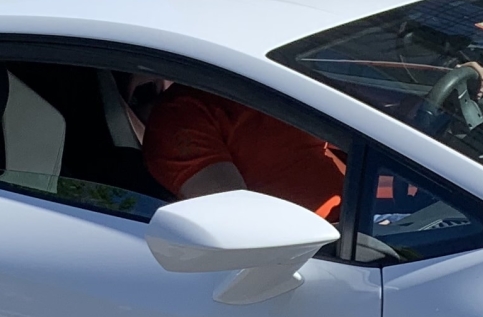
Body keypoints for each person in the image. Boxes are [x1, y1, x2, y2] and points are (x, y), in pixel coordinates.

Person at [133, 76, 346, 220]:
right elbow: (236, 218)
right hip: (326, 251)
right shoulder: (180, 117)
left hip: (365, 216)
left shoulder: (282, 80)